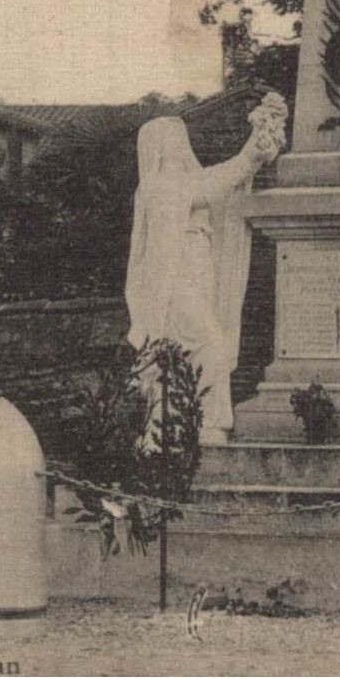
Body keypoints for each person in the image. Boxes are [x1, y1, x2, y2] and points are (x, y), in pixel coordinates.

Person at [124, 94, 285, 444]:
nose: (183, 147)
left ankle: (190, 422)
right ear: (159, 149)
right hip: (173, 285)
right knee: (209, 343)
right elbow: (214, 185)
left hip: (196, 276)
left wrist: (256, 148)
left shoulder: (183, 183)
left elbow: (218, 185)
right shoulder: (158, 188)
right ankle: (209, 422)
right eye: (174, 141)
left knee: (197, 349)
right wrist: (249, 154)